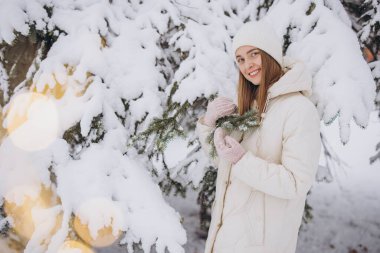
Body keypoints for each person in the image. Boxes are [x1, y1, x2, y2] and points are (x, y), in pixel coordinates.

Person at [196, 20, 321, 253]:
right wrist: (208, 124)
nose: (247, 65)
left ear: (270, 55)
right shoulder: (251, 108)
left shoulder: (299, 109)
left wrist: (243, 161)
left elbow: (296, 183)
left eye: (254, 54)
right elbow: (225, 164)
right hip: (227, 239)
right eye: (240, 59)